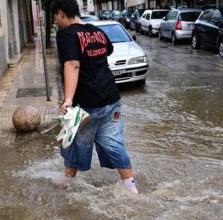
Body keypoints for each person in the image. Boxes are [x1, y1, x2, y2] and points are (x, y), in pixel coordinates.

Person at [52, 0, 139, 194]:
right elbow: (108, 50)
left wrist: (67, 99)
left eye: (55, 18)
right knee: (115, 143)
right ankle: (131, 187)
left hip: (87, 103)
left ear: (60, 13)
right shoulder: (97, 31)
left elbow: (72, 64)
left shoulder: (66, 34)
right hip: (111, 99)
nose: (56, 22)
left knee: (74, 141)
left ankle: (68, 184)